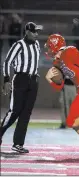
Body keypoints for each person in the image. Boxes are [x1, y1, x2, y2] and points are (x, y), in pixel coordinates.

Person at [1, 22, 43, 153]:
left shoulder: (36, 44)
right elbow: (7, 62)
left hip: (33, 80)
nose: (37, 34)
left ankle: (18, 143)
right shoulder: (19, 45)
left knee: (26, 112)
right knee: (15, 110)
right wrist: (6, 79)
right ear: (28, 32)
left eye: (37, 31)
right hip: (20, 79)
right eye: (34, 31)